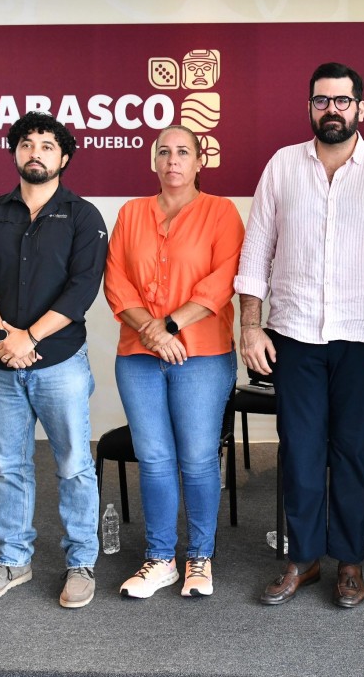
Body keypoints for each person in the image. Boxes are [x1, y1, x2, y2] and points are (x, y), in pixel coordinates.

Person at [235, 62, 364, 609]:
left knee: (354, 454)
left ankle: (351, 562)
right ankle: (305, 558)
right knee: (301, 452)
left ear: (360, 108)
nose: (331, 109)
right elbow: (255, 251)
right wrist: (249, 324)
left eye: (342, 101)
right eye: (321, 101)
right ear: (310, 107)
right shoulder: (282, 167)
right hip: (294, 337)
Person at [0, 111, 108, 608]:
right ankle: (13, 560)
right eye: (27, 143)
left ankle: (81, 561)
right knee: (8, 466)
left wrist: (31, 338)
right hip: (0, 365)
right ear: (15, 153)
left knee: (73, 464)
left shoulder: (83, 216)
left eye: (47, 145)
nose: (36, 152)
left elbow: (83, 288)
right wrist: (5, 335)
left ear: (63, 157)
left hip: (60, 363)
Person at [104, 126, 244, 598]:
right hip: (138, 358)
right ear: (153, 161)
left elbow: (223, 281)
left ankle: (199, 558)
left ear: (200, 161)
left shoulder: (221, 212)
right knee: (155, 460)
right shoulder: (130, 212)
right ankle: (161, 558)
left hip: (203, 355)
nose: (173, 160)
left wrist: (169, 327)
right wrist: (151, 331)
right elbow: (116, 280)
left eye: (183, 152)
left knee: (199, 459)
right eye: (164, 152)